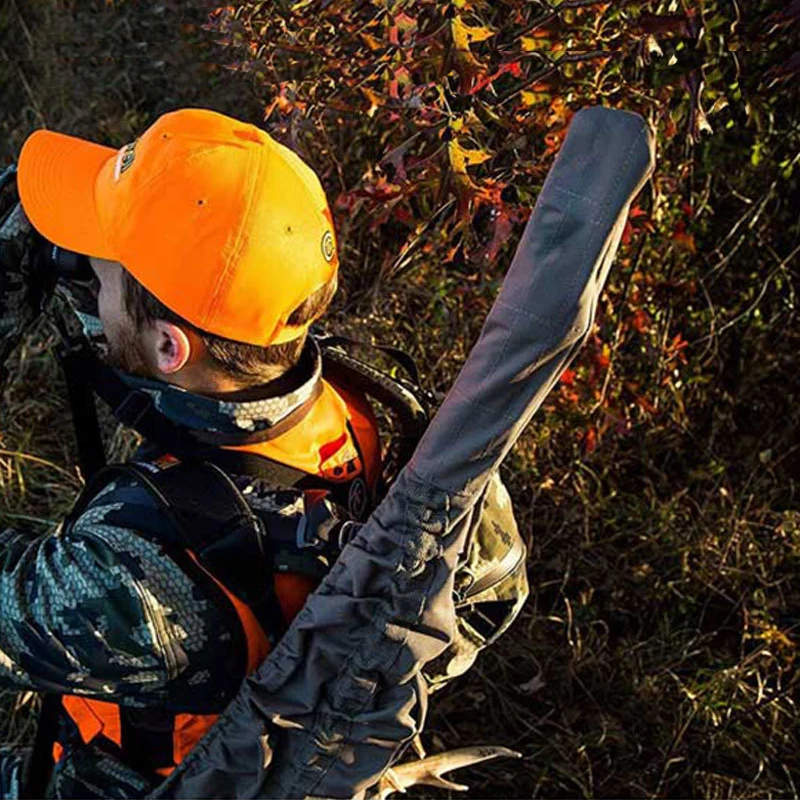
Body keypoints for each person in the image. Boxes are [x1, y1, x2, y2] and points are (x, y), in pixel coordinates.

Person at [0, 107, 396, 798]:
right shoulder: (367, 408)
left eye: (102, 275)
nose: (86, 276)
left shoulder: (138, 576)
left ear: (169, 348)